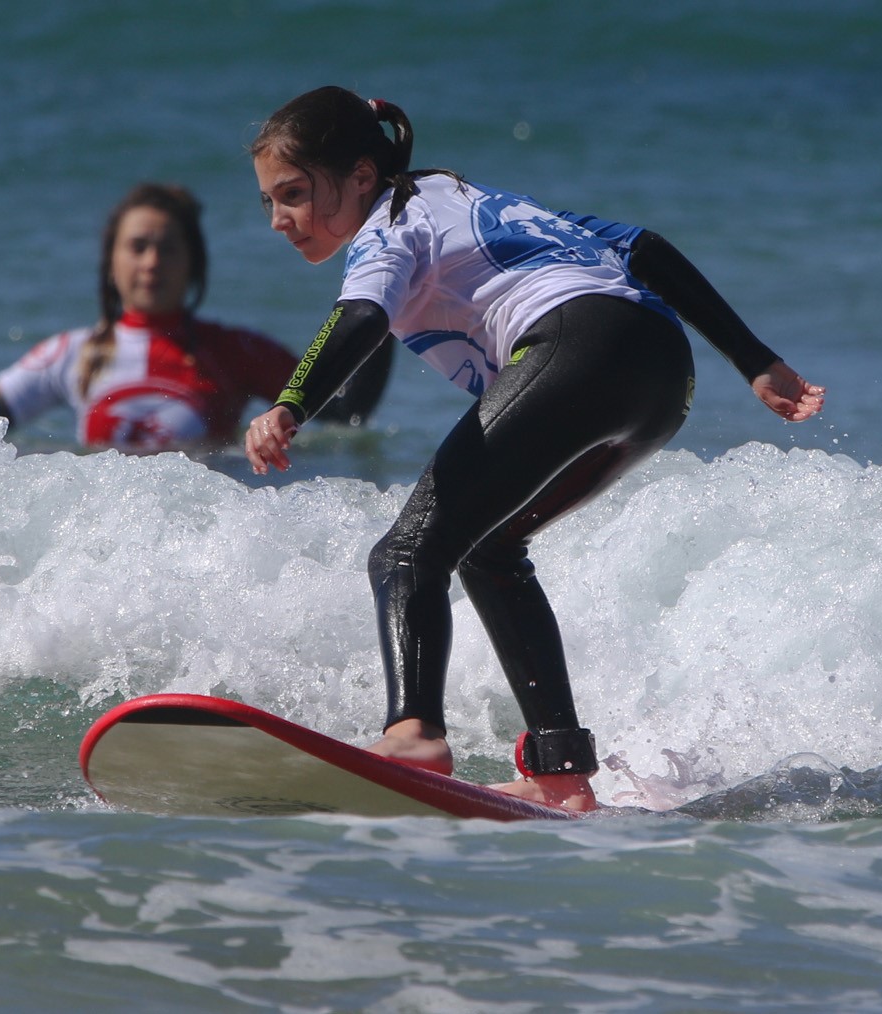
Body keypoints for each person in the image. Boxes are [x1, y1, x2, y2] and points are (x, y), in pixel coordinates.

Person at [242, 87, 826, 812]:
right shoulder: (470, 199)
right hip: (659, 372)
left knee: (404, 554)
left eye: (293, 194)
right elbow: (642, 247)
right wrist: (754, 360)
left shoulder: (390, 224)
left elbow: (361, 314)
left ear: (362, 175)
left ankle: (412, 732)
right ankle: (561, 777)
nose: (278, 221)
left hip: (576, 348)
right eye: (269, 202)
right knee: (487, 549)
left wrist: (293, 401)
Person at [0, 182, 388, 455]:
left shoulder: (235, 351)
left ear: (192, 263)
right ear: (112, 262)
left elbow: (345, 413)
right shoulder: (70, 355)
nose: (152, 261)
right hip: (105, 552)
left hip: (208, 545)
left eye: (168, 248)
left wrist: (383, 291)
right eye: (138, 246)